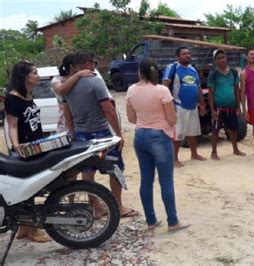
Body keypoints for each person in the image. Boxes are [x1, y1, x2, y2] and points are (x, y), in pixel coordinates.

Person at [62, 52, 139, 219]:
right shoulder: (95, 81)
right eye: (94, 63)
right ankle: (118, 205)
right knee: (115, 169)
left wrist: (72, 131)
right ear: (88, 63)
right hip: (101, 133)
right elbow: (108, 110)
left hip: (81, 135)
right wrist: (118, 134)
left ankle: (96, 207)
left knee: (87, 171)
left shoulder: (67, 85)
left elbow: (66, 110)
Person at [126, 59, 190, 233]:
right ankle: (173, 221)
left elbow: (131, 118)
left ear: (139, 72)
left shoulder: (131, 90)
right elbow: (171, 119)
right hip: (159, 135)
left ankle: (151, 221)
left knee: (146, 180)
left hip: (140, 135)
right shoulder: (161, 90)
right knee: (166, 181)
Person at [4, 60, 50, 242]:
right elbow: (12, 125)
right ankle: (32, 230)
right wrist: (17, 146)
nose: (38, 76)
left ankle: (24, 228)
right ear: (24, 77)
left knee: (32, 186)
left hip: (36, 145)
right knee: (29, 188)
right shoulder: (13, 98)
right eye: (35, 73)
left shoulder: (28, 94)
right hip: (24, 149)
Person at [162, 46, 206, 167]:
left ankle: (194, 154)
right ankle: (174, 159)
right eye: (184, 54)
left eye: (189, 53)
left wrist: (202, 103)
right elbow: (164, 86)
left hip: (192, 107)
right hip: (178, 106)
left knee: (193, 132)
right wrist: (169, 105)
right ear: (178, 56)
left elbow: (198, 87)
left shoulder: (193, 70)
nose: (188, 55)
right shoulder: (173, 68)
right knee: (178, 135)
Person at [208, 49, 246, 160]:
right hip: (219, 107)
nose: (221, 60)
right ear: (215, 61)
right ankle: (214, 152)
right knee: (215, 130)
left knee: (233, 129)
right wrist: (212, 109)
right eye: (218, 58)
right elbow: (211, 92)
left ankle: (235, 149)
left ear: (226, 58)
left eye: (223, 57)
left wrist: (238, 106)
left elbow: (236, 89)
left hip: (232, 106)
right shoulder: (213, 74)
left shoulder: (233, 72)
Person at [51, 54, 94, 133]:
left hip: (84, 121)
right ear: (72, 66)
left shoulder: (82, 78)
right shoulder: (57, 79)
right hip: (66, 123)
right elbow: (61, 91)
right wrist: (78, 75)